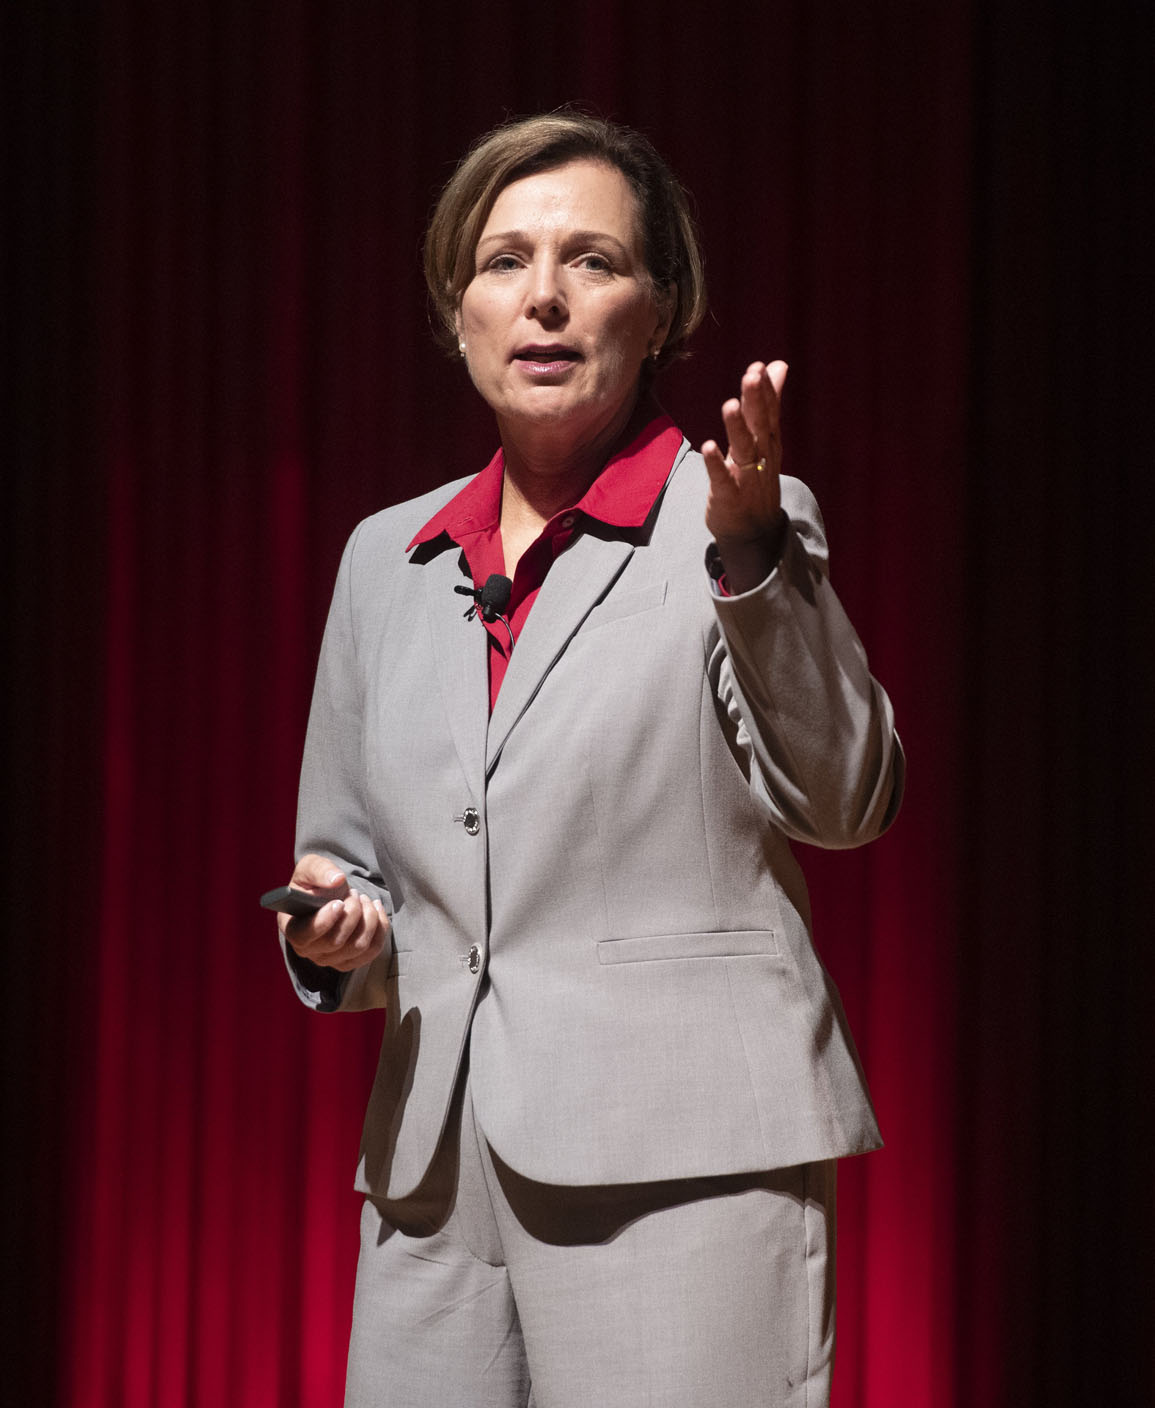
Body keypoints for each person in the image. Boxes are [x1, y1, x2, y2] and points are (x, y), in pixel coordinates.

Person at [275, 110, 903, 1408]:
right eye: (504, 262)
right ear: (459, 313)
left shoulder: (737, 521)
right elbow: (351, 855)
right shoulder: (381, 561)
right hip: (433, 1176)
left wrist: (753, 568)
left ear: (663, 310)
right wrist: (343, 929)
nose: (545, 297)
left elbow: (848, 800)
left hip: (681, 1151)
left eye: (594, 261)